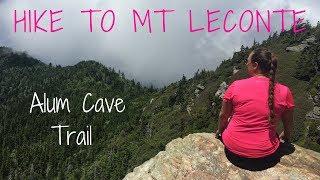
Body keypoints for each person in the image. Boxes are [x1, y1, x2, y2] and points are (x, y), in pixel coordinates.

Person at [215, 48, 295, 170]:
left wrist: (220, 131)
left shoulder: (236, 85)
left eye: (247, 61)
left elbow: (223, 116)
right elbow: (288, 123)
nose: (246, 63)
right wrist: (286, 138)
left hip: (233, 152)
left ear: (255, 65)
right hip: (266, 157)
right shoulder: (285, 91)